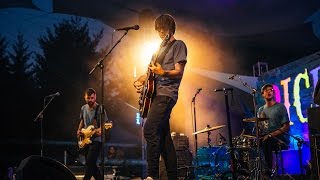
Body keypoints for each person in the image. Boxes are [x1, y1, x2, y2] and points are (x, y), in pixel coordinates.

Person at [133, 14, 187, 180]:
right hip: (156, 95)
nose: (159, 34)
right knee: (164, 140)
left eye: (162, 30)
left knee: (149, 130)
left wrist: (162, 72)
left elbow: (179, 72)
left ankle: (152, 176)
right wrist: (140, 81)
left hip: (166, 95)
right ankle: (173, 177)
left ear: (169, 29)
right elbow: (150, 73)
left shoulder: (178, 45)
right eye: (158, 31)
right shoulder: (158, 51)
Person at [257, 84, 290, 177]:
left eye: (271, 90)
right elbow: (261, 128)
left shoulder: (280, 107)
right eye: (266, 90)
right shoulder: (260, 110)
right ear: (263, 94)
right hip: (266, 137)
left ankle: (269, 170)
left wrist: (270, 135)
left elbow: (286, 127)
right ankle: (257, 172)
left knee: (266, 142)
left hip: (280, 137)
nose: (269, 91)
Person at [77, 88, 106, 180]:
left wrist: (100, 130)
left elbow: (104, 124)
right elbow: (82, 120)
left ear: (95, 97)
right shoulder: (83, 108)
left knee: (89, 162)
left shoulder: (100, 108)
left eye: (92, 98)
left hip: (96, 140)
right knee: (91, 164)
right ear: (84, 97)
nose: (90, 100)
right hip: (85, 139)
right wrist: (78, 130)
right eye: (88, 98)